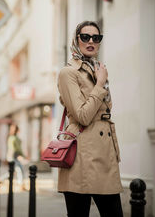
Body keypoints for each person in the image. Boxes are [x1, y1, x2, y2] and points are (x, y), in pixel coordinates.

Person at [57, 21, 123, 217]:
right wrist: (100, 83)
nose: (91, 41)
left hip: (104, 155)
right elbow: (83, 116)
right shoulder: (68, 73)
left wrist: (100, 80)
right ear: (76, 40)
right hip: (81, 157)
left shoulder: (97, 69)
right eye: (85, 37)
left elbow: (106, 110)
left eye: (96, 37)